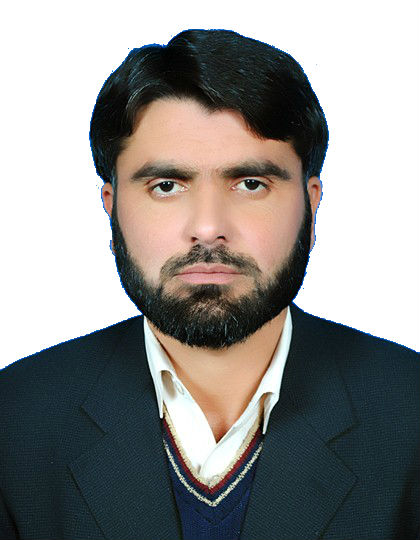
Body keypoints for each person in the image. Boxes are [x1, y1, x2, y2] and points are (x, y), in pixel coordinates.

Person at [0, 29, 418, 540]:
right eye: (166, 186)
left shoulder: (409, 413)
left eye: (250, 183)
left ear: (311, 205)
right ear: (112, 209)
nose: (207, 227)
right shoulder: (14, 421)